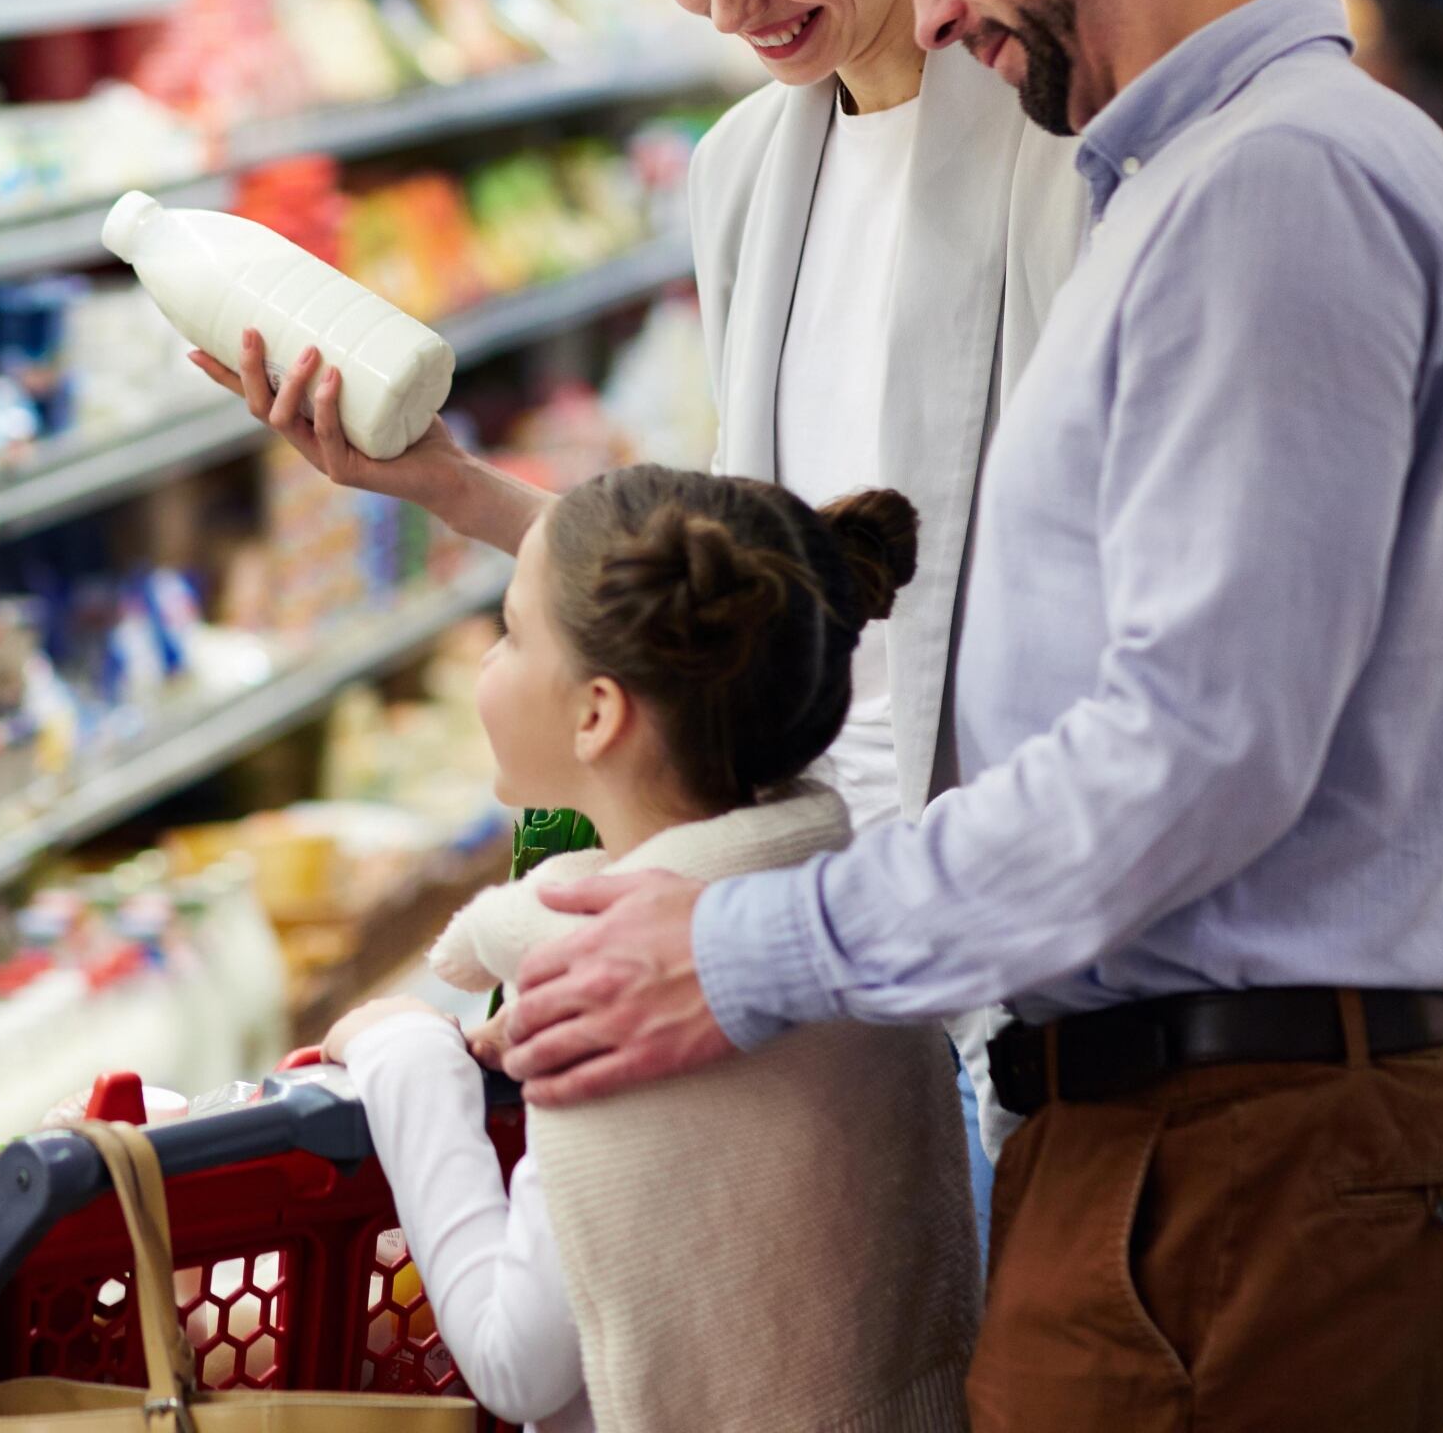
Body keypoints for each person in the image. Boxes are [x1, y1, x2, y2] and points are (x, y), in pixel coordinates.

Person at [496, 0, 1443, 1433]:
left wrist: (754, 952)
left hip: (1230, 1143)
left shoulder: (1255, 192)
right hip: (1139, 1117)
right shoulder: (1208, 175)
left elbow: (1196, 744)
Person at [199, 0, 1084, 1235]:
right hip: (780, 926)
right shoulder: (748, 166)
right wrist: (448, 487)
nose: (732, 4)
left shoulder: (1052, 147)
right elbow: (745, 584)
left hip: (1008, 950)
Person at [323, 465, 974, 1433]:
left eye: (509, 631)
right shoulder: (846, 931)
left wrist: (407, 1060)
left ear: (596, 713)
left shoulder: (615, 993)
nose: (487, 663)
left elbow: (514, 1362)